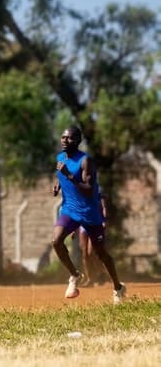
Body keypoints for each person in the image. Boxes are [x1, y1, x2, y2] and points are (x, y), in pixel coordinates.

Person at [51, 126, 126, 304]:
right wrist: (58, 185)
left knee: (101, 254)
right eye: (62, 137)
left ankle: (118, 287)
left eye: (68, 138)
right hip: (69, 209)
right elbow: (61, 175)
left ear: (77, 141)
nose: (64, 140)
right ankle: (75, 275)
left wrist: (68, 175)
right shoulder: (60, 158)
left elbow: (88, 189)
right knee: (56, 241)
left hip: (89, 213)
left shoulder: (86, 161)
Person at [77, 189, 109, 287]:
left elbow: (104, 207)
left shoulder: (98, 190)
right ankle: (90, 279)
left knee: (91, 252)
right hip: (83, 225)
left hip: (95, 224)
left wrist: (104, 220)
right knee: (84, 253)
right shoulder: (79, 190)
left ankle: (101, 272)